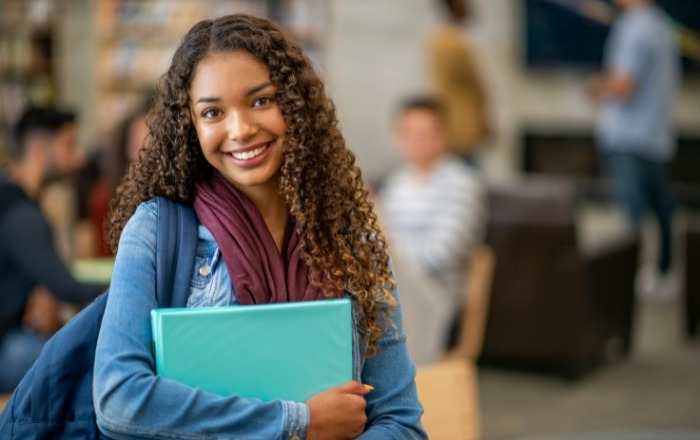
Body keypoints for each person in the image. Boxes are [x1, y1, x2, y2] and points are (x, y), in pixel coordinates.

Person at [93, 14, 426, 439]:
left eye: (260, 101)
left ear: (294, 104)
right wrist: (298, 423)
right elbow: (119, 401)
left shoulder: (349, 238)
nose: (240, 129)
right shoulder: (157, 231)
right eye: (212, 112)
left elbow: (400, 421)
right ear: (191, 127)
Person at [0, 107, 105, 392]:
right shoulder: (20, 214)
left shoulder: (12, 200)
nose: (79, 157)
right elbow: (67, 288)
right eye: (69, 145)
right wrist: (129, 284)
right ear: (38, 150)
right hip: (6, 347)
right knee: (92, 362)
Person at [376, 97, 486, 365]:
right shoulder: (396, 183)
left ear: (443, 135)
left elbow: (441, 254)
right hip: (392, 285)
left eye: (425, 133)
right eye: (409, 133)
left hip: (436, 293)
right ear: (397, 137)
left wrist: (390, 260)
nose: (417, 141)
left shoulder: (462, 182)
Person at [586, 0, 680, 300]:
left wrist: (595, 88)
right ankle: (663, 273)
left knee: (633, 217)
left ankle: (628, 283)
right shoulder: (663, 26)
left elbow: (624, 86)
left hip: (627, 137)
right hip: (655, 135)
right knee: (661, 208)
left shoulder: (633, 26)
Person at [427, 0, 489, 160]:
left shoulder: (440, 39)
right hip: (461, 124)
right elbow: (473, 86)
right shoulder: (453, 43)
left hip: (454, 122)